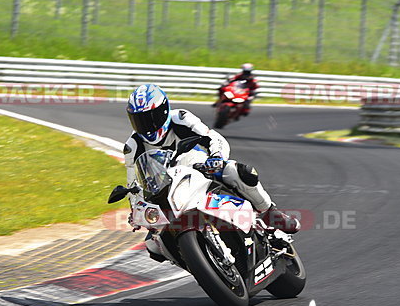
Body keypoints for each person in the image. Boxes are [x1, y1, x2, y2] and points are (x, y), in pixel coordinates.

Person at [124, 83, 300, 235]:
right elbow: (133, 186)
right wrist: (136, 212)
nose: (147, 126)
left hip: (199, 167)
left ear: (164, 110)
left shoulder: (181, 119)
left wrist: (216, 157)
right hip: (165, 187)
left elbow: (213, 138)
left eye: (150, 118)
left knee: (237, 172)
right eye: (139, 120)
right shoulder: (133, 146)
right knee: (154, 244)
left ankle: (270, 213)